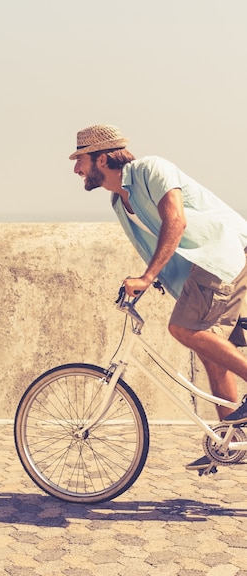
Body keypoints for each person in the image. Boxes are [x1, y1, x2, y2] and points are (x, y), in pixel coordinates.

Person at [70, 124, 247, 470]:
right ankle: (232, 442)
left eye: (81, 160)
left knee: (182, 329)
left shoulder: (152, 169)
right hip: (201, 270)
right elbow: (152, 245)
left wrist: (146, 278)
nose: (77, 169)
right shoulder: (118, 202)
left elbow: (175, 222)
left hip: (221, 255)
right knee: (211, 350)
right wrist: (153, 282)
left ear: (102, 158)